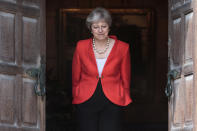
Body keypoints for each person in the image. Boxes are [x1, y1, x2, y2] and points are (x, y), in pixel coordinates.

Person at [72, 7, 132, 131]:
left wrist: (124, 95)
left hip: (113, 99)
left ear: (109, 27)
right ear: (90, 28)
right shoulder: (81, 46)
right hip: (86, 98)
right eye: (95, 27)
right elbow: (75, 74)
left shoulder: (123, 47)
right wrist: (76, 92)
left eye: (103, 26)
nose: (100, 30)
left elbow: (126, 76)